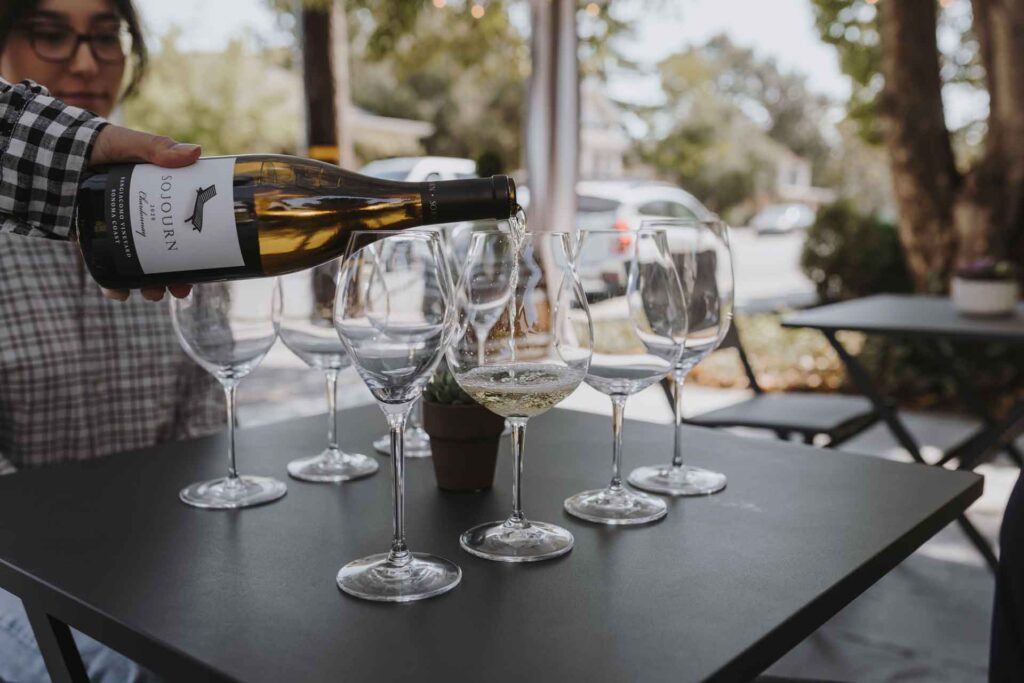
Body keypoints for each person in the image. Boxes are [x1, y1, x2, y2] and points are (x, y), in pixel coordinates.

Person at [0, 1, 224, 680]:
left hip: (163, 558)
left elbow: (206, 403)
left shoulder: (180, 206)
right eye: (50, 34)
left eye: (106, 36)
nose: (87, 60)